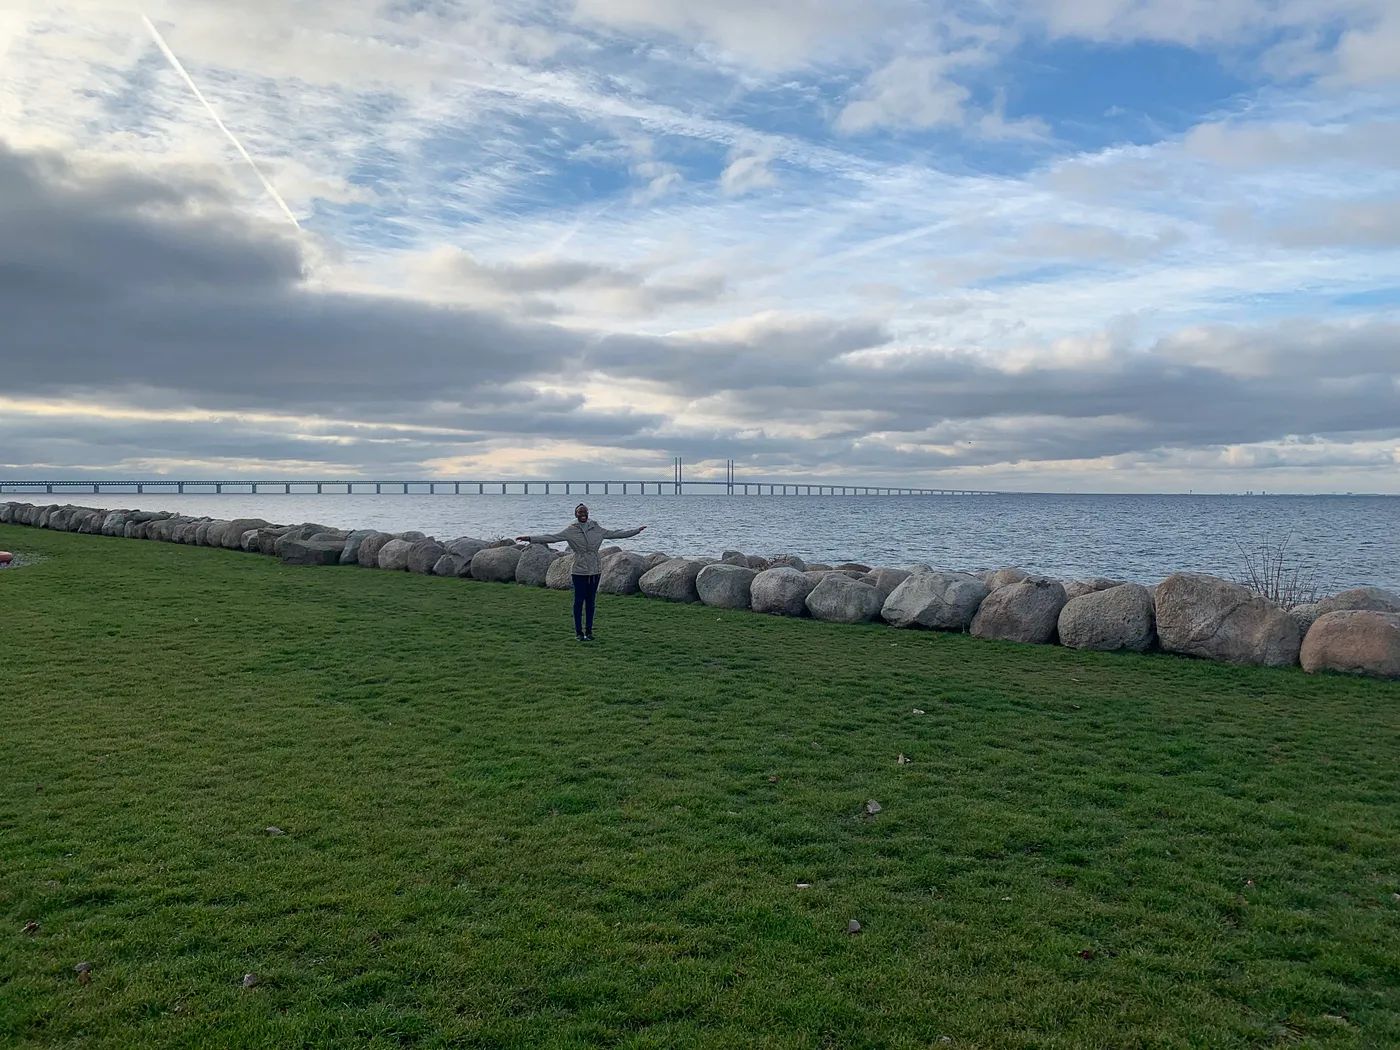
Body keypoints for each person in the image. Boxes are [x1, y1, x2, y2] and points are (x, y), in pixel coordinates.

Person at [517, 504, 647, 642]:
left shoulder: (596, 528)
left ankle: (589, 632)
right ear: (576, 514)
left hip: (595, 570)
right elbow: (551, 537)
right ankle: (579, 632)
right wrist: (530, 538)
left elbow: (616, 534)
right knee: (578, 602)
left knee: (591, 602)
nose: (582, 514)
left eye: (584, 511)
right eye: (580, 512)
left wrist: (636, 531)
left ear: (588, 513)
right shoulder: (570, 530)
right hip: (579, 571)